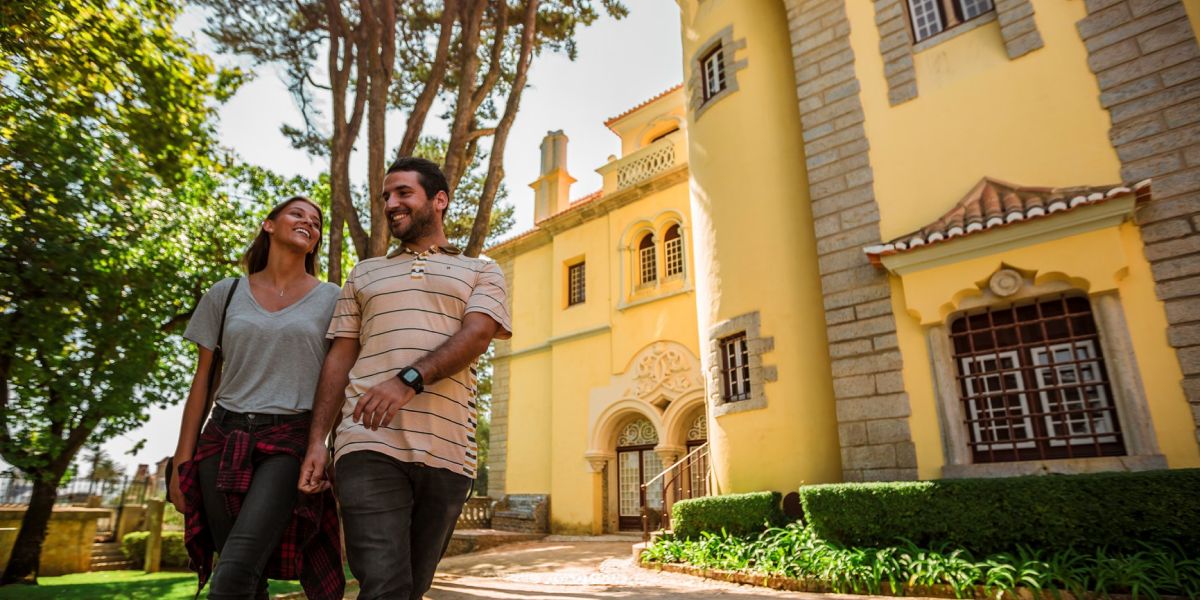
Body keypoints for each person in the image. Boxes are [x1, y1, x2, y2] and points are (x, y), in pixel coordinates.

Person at [298, 157, 512, 600]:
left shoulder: (482, 270)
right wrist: (319, 440)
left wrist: (406, 380)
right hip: (366, 441)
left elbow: (477, 335)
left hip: (449, 450)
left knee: (410, 588)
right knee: (383, 583)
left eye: (402, 193)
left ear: (439, 200)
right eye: (385, 197)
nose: (391, 204)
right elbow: (339, 360)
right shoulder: (364, 273)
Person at [169, 196, 345, 600]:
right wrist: (182, 460)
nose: (308, 223)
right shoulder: (225, 293)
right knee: (246, 577)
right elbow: (204, 381)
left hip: (289, 442)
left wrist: (325, 444)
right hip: (221, 439)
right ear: (269, 225)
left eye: (316, 222)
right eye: (297, 214)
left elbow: (339, 381)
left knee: (233, 573)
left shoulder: (333, 299)